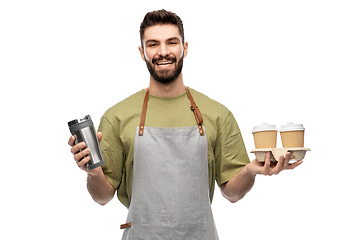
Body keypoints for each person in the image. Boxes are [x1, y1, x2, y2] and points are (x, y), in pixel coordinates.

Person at [68, 9, 302, 239]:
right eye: (153, 44)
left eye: (171, 42)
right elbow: (102, 197)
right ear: (142, 52)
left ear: (185, 48)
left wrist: (251, 171)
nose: (163, 52)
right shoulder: (117, 116)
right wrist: (94, 172)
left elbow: (232, 193)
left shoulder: (217, 114)